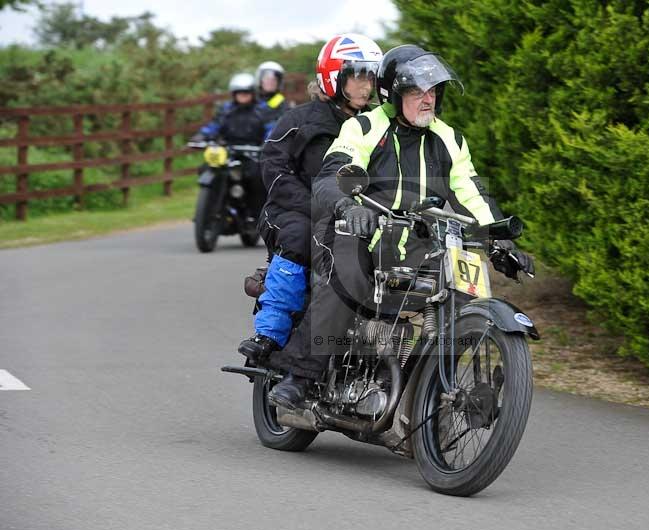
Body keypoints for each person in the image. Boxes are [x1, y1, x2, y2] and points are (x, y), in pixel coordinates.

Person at [267, 44, 536, 409]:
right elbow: (334, 173)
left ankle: (425, 387)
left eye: (433, 92)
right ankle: (299, 375)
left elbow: (471, 192)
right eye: (416, 92)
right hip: (361, 231)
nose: (428, 100)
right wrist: (349, 205)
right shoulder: (363, 127)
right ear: (393, 94)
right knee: (350, 276)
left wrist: (498, 241)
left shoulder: (450, 138)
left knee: (462, 290)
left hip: (421, 243)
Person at [237, 34, 384, 364]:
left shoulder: (377, 125)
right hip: (293, 211)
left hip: (353, 215)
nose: (366, 86)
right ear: (334, 77)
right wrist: (317, 205)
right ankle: (269, 333)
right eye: (358, 76)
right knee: (300, 237)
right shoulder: (299, 120)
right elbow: (273, 168)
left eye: (371, 77)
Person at [192, 72, 275, 218]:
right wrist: (201, 136)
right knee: (207, 168)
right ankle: (208, 209)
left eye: (246, 92)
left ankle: (257, 216)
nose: (243, 96)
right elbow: (213, 126)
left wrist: (269, 143)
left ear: (253, 93)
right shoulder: (226, 110)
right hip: (228, 152)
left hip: (253, 153)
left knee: (256, 177)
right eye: (239, 93)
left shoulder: (263, 110)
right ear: (234, 94)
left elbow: (271, 129)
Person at [255, 60, 289, 134]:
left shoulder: (282, 104)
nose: (270, 82)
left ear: (279, 82)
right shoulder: (251, 99)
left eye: (274, 80)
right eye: (267, 79)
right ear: (260, 80)